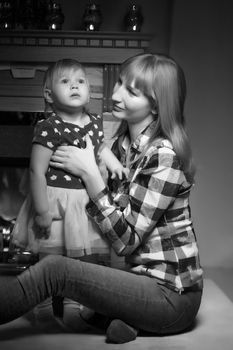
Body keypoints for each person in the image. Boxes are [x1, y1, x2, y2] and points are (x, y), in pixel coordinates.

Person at [0, 53, 203, 344]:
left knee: (54, 271)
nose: (115, 94)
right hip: (134, 280)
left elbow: (127, 242)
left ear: (156, 105)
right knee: (84, 276)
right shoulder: (119, 147)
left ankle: (128, 317)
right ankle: (125, 320)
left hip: (169, 296)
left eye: (131, 91)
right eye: (119, 82)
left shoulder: (164, 156)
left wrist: (90, 175)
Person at [11, 58, 128, 329]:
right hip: (55, 201)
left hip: (84, 202)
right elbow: (35, 171)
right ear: (49, 94)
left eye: (80, 81)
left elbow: (100, 148)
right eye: (65, 81)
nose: (75, 85)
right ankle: (42, 307)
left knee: (79, 261)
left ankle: (73, 306)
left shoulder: (95, 122)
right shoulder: (48, 127)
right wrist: (41, 211)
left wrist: (114, 163)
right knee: (50, 256)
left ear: (89, 90)